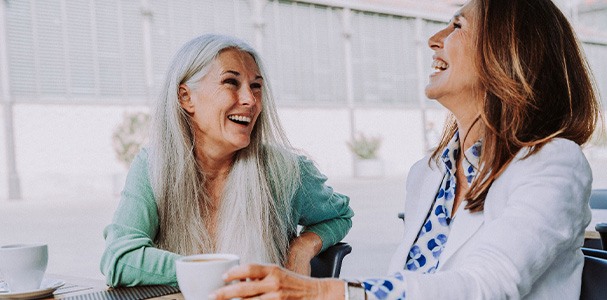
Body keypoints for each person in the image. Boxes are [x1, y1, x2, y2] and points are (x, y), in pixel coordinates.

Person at [210, 0, 602, 298]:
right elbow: (412, 282)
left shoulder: (553, 164)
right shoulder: (429, 174)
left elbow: (486, 285)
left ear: (507, 50)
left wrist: (328, 291)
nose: (434, 39)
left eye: (457, 25)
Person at [100, 34, 354, 287]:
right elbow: (120, 258)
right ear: (186, 98)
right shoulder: (153, 166)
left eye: (256, 86)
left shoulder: (285, 170)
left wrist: (303, 246)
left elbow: (339, 215)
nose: (250, 100)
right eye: (231, 82)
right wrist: (214, 273)